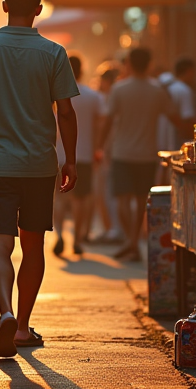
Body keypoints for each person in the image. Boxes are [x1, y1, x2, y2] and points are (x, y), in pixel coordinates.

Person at [0, 0, 79, 357]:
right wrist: (70, 158)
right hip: (39, 165)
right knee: (33, 246)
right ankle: (23, 327)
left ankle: (5, 312)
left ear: (5, 6)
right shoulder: (54, 53)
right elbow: (65, 111)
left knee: (0, 244)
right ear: (39, 10)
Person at [96, 46, 183, 262]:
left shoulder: (119, 89)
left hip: (122, 152)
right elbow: (175, 117)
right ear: (149, 64)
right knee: (141, 200)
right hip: (147, 154)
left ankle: (131, 242)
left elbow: (108, 121)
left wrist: (99, 146)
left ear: (128, 64)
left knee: (122, 200)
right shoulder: (157, 90)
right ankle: (133, 243)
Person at [53, 55, 102, 258]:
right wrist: (97, 148)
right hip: (84, 154)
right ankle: (77, 239)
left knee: (59, 197)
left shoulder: (54, 94)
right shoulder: (92, 96)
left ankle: (59, 235)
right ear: (82, 70)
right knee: (80, 199)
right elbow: (99, 125)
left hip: (59, 153)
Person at [92, 63, 121, 244]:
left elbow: (106, 126)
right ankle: (111, 228)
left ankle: (113, 229)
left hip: (109, 151)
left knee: (107, 191)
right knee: (107, 192)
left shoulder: (108, 99)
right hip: (112, 149)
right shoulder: (111, 97)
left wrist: (100, 148)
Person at [159, 57, 196, 153]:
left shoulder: (164, 87)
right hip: (176, 144)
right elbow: (187, 118)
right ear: (189, 71)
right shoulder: (184, 90)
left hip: (160, 141)